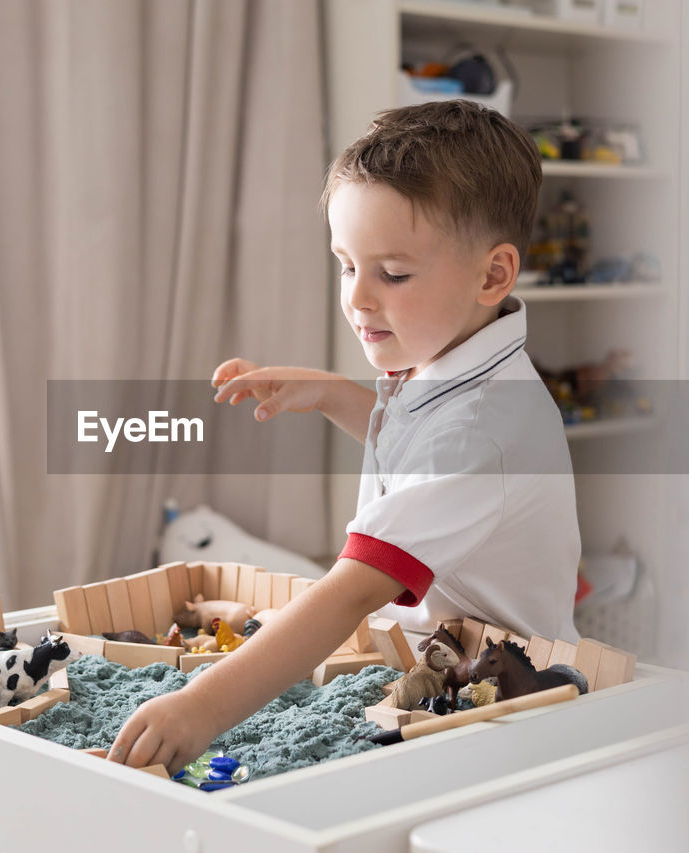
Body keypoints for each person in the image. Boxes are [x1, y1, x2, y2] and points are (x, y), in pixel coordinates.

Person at [109, 100, 580, 774]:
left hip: (503, 700)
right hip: (432, 662)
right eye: (345, 265)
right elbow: (421, 453)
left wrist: (200, 708)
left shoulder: (483, 427)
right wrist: (334, 395)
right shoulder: (451, 358)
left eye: (391, 274)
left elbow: (356, 586)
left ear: (492, 276)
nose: (358, 297)